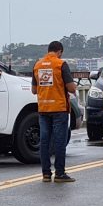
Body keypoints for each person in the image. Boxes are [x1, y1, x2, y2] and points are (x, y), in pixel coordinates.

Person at [31, 41, 77, 183]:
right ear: (60, 52)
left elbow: (34, 90)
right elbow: (71, 88)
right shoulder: (60, 64)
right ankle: (59, 174)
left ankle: (45, 174)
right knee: (59, 141)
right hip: (59, 108)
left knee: (44, 141)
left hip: (43, 109)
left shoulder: (37, 65)